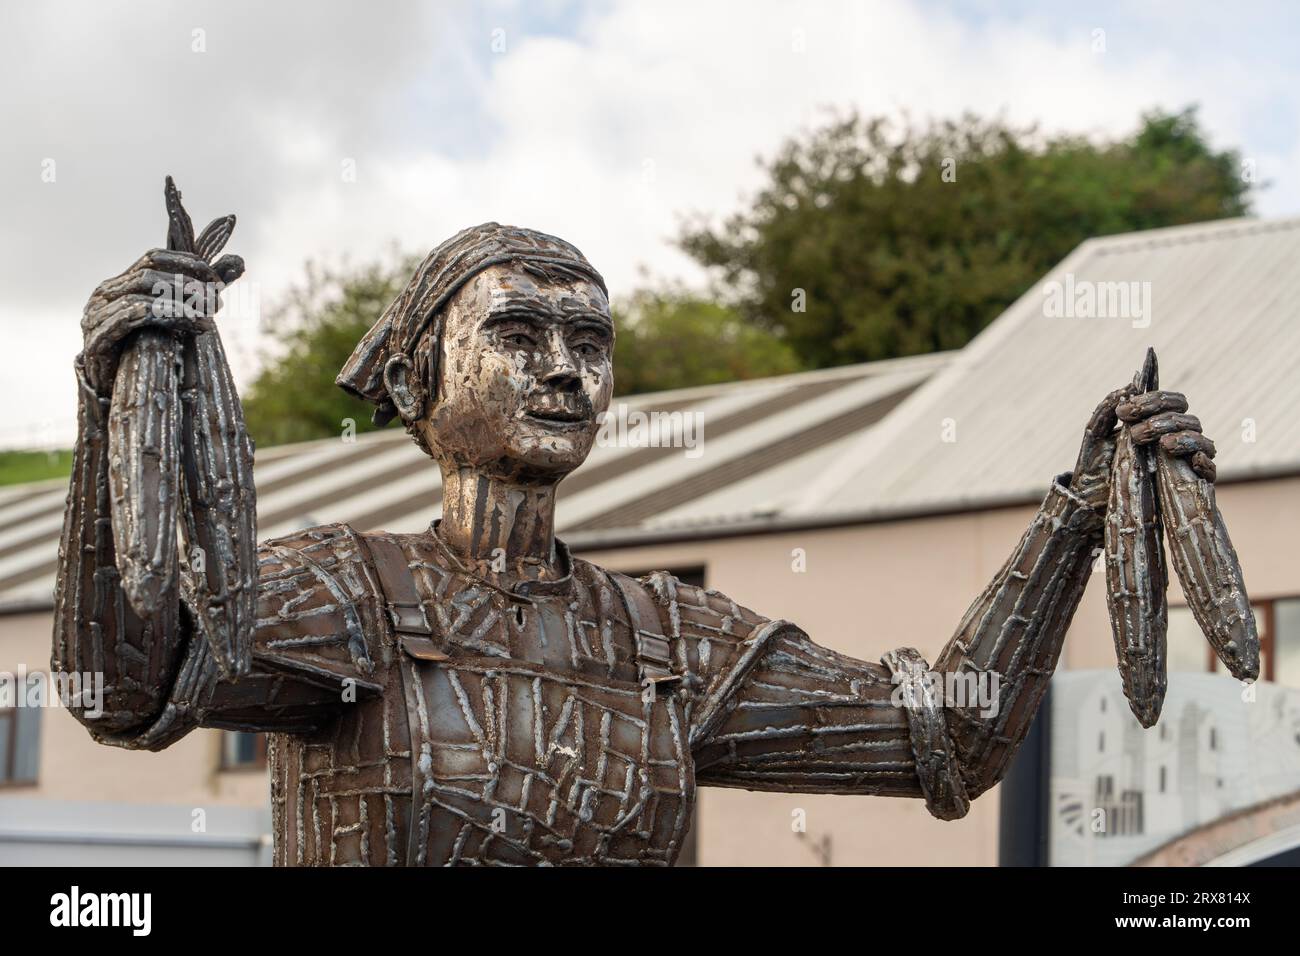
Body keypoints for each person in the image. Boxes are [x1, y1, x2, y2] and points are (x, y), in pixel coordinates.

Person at [55, 221, 1219, 866]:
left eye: (590, 339)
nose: (565, 368)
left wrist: (1079, 507)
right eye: (516, 332)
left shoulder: (664, 634)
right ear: (414, 381)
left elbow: (951, 736)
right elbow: (120, 676)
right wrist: (121, 391)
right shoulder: (347, 590)